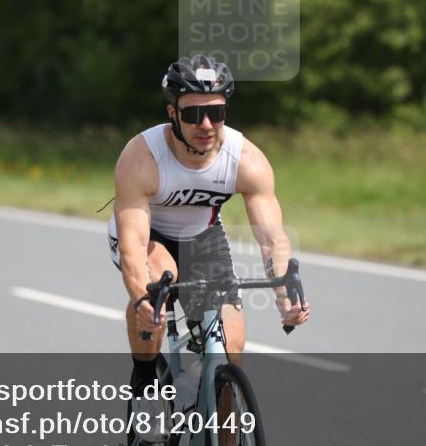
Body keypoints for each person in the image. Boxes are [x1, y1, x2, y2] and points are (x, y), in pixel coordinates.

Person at [108, 54, 310, 422]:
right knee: (157, 291)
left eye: (215, 113)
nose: (205, 124)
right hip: (149, 236)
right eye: (192, 114)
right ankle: (145, 382)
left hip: (203, 238)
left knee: (229, 351)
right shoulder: (142, 157)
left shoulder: (245, 159)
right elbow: (134, 246)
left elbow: (272, 238)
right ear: (172, 113)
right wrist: (141, 299)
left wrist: (286, 296)